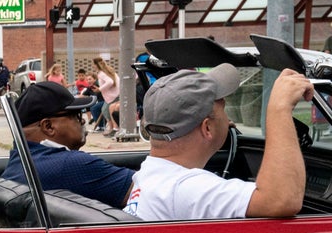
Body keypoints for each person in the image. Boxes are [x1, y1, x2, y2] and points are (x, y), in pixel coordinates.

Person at [123, 65, 314, 221]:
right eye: (223, 107)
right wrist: (280, 108)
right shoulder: (185, 188)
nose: (229, 119)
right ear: (207, 128)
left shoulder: (151, 173)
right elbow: (281, 199)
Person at [2, 81, 133, 208]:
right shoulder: (70, 165)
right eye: (76, 115)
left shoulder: (18, 161)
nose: (82, 121)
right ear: (48, 126)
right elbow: (147, 190)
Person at [92, 57, 119, 133]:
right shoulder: (108, 70)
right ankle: (112, 128)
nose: (92, 66)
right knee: (106, 110)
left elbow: (110, 82)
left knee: (106, 111)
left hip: (112, 96)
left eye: (93, 64)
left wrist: (99, 89)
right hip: (116, 94)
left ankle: (112, 128)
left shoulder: (101, 73)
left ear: (96, 65)